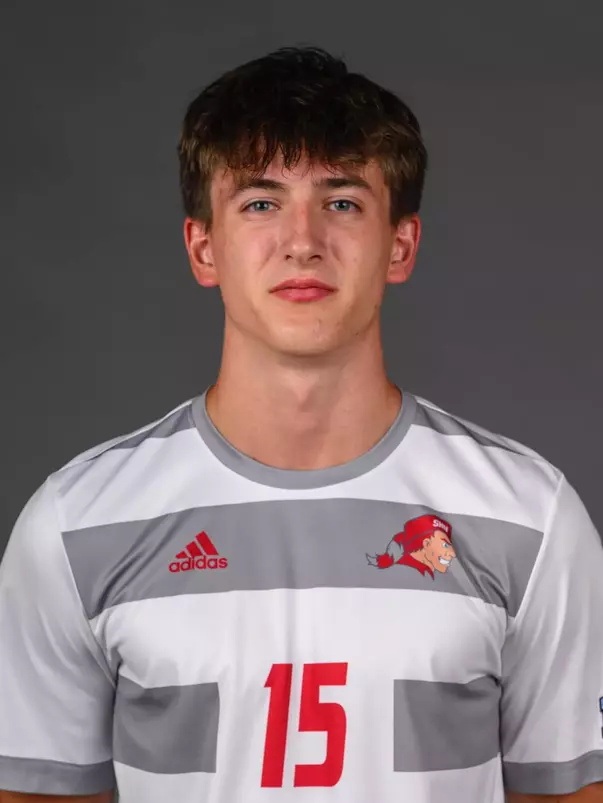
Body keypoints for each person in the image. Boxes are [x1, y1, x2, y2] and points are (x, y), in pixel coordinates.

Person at [0, 46, 601, 803]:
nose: (302, 240)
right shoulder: (74, 526)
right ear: (203, 247)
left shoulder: (529, 518)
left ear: (401, 245)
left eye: (342, 201)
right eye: (259, 202)